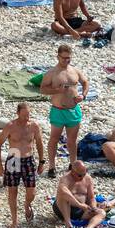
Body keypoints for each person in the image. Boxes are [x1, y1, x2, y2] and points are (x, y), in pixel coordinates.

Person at [39, 44, 88, 177]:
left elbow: (85, 82)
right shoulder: (51, 73)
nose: (66, 61)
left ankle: (73, 164)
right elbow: (42, 89)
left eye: (69, 58)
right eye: (64, 58)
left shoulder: (75, 71)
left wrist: (83, 95)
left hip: (73, 110)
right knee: (54, 139)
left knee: (72, 140)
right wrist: (57, 90)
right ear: (58, 57)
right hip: (58, 110)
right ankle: (52, 167)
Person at [0, 103, 43, 228]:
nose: (26, 118)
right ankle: (14, 221)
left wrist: (42, 161)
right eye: (24, 116)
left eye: (28, 115)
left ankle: (27, 205)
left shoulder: (34, 126)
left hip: (29, 158)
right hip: (13, 157)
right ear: (18, 114)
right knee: (12, 191)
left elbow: (39, 143)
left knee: (31, 191)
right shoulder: (10, 126)